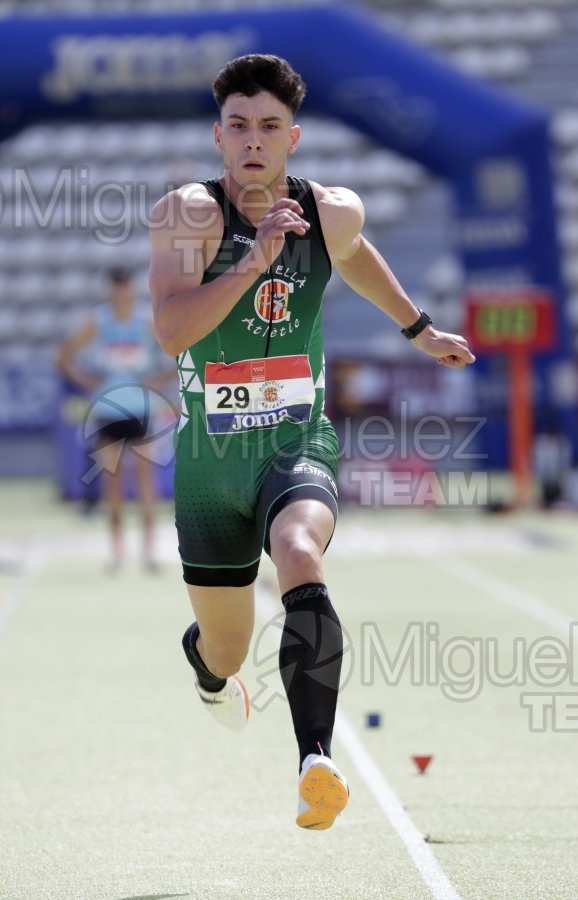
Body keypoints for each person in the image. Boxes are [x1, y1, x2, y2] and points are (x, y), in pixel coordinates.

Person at [148, 54, 475, 830]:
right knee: (228, 649)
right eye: (237, 127)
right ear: (218, 138)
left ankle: (314, 762)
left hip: (296, 442)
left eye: (268, 127)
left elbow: (355, 258)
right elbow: (170, 332)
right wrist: (254, 258)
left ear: (292, 138)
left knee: (301, 551)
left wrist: (419, 329)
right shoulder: (187, 215)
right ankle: (208, 667)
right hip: (209, 467)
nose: (252, 142)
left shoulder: (331, 212)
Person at [57, 267, 175, 571]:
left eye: (127, 291)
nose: (123, 296)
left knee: (147, 483)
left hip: (141, 409)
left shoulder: (146, 322)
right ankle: (117, 550)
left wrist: (159, 379)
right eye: (117, 291)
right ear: (111, 292)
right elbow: (64, 357)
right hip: (108, 410)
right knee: (113, 483)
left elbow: (178, 353)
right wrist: (86, 381)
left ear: (133, 291)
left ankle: (149, 550)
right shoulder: (98, 323)